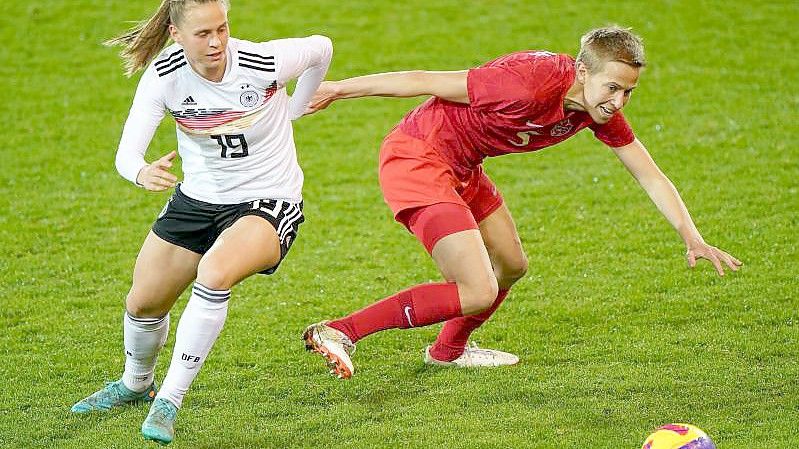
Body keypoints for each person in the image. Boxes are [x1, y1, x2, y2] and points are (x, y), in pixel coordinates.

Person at [301, 26, 741, 379]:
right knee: (477, 290)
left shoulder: (596, 108)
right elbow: (423, 81)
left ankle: (448, 351)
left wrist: (691, 235)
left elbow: (649, 173)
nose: (618, 102)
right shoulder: (525, 82)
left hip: (465, 166)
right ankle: (341, 331)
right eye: (613, 88)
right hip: (419, 157)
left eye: (628, 92)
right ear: (583, 72)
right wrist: (339, 89)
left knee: (512, 264)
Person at [70, 0, 332, 444]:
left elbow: (321, 48)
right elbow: (126, 152)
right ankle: (137, 383)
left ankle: (168, 401)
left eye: (222, 29)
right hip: (197, 201)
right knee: (143, 303)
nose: (216, 43)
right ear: (175, 34)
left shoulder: (262, 61)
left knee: (214, 274)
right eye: (203, 34)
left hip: (268, 200)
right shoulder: (165, 77)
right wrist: (140, 171)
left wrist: (296, 107)